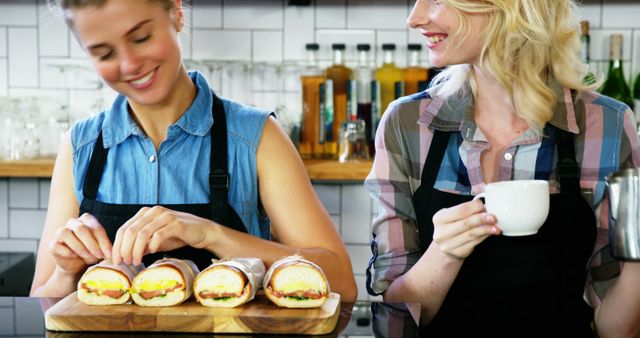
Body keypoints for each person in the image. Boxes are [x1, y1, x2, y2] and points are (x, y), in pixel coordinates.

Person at [30, 0, 356, 302]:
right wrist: (66, 270)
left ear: (176, 12)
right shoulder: (79, 146)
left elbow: (342, 281)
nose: (129, 64)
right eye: (104, 54)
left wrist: (209, 234)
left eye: (141, 37)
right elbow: (39, 302)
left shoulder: (257, 137)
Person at [365, 0, 640, 336]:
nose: (415, 18)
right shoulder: (408, 124)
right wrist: (444, 253)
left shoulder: (607, 124)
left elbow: (617, 330)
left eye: (437, 0)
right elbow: (394, 323)